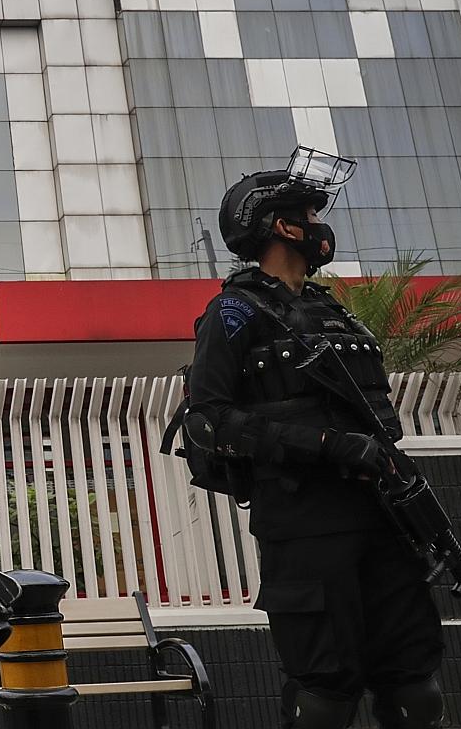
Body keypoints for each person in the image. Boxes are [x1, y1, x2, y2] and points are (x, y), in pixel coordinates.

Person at [180, 149, 444, 729]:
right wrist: (328, 445)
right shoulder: (232, 313)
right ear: (281, 225)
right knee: (325, 695)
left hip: (382, 517)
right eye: (307, 211)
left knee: (415, 689)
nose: (321, 226)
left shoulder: (335, 313)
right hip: (304, 525)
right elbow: (208, 421)